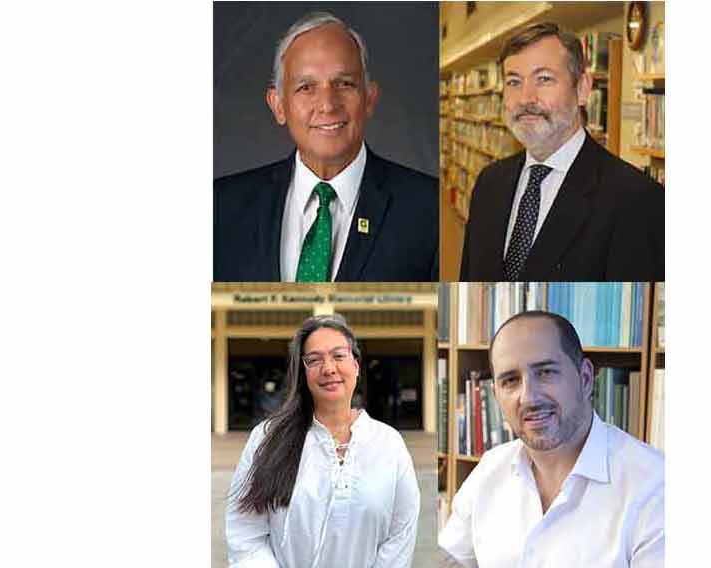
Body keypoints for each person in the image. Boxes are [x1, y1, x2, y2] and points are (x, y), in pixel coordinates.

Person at [214, 12, 438, 282]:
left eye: (344, 84)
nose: (328, 105)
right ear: (278, 105)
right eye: (306, 87)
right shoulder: (220, 207)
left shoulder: (428, 209)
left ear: (369, 99)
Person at [438, 311, 664, 567]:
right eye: (510, 380)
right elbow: (451, 558)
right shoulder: (490, 469)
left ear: (586, 379)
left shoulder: (655, 486)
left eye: (545, 372)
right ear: (497, 395)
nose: (529, 398)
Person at [459, 22, 664, 282]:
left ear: (582, 89)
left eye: (544, 79)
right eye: (513, 82)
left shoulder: (637, 200)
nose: (525, 98)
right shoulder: (489, 182)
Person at [227, 314, 420, 567]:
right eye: (314, 360)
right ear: (303, 373)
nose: (328, 368)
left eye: (339, 356)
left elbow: (401, 534)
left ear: (356, 365)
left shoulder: (389, 444)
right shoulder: (267, 438)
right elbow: (245, 535)